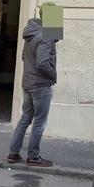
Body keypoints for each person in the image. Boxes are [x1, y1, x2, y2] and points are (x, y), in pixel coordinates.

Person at [7, 16, 57, 167]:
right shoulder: (45, 36)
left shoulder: (31, 34)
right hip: (40, 84)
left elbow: (24, 57)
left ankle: (13, 153)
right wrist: (53, 74)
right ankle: (33, 156)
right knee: (39, 121)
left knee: (25, 117)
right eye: (56, 16)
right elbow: (42, 62)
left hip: (27, 82)